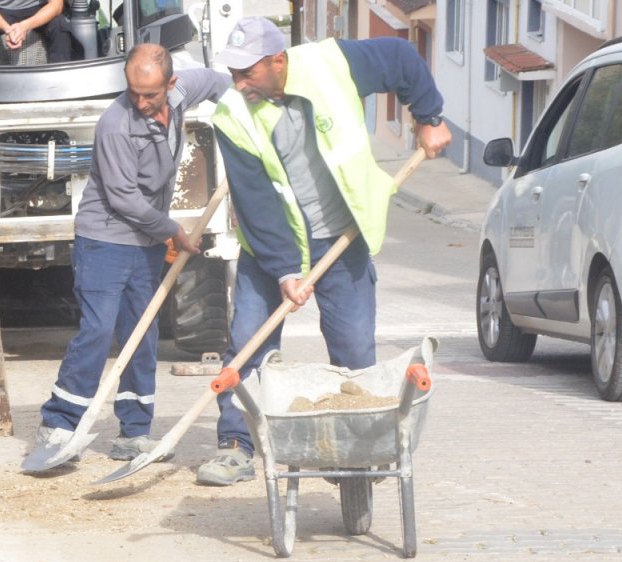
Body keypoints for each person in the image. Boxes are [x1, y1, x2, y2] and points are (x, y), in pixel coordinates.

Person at [197, 17, 452, 485]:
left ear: (278, 61)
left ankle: (353, 452)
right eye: (232, 73)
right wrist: (285, 271)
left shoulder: (333, 64)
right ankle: (236, 443)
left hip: (341, 238)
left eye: (247, 72)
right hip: (271, 247)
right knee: (249, 346)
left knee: (354, 353)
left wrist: (429, 116)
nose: (238, 83)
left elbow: (400, 59)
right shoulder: (233, 115)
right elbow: (256, 202)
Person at [29, 44, 230, 465]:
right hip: (105, 240)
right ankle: (58, 426)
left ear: (171, 84)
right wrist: (173, 229)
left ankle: (134, 432)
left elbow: (216, 81)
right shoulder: (116, 124)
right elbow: (123, 199)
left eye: (150, 94)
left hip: (145, 244)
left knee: (143, 336)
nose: (140, 101)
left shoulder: (179, 94)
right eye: (133, 91)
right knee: (99, 331)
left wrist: (247, 109)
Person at [0, 0, 73, 64]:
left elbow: (56, 6)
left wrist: (25, 26)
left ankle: (58, 85)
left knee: (60, 27)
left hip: (38, 10)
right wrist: (8, 29)